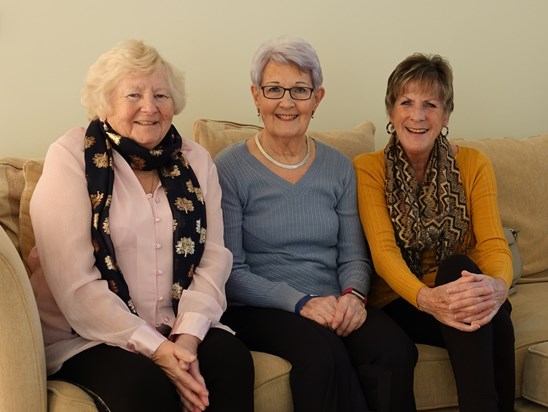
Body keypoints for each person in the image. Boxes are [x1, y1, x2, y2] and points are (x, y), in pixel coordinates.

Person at [28, 39, 254, 412]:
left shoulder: (196, 161)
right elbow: (74, 284)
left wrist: (185, 339)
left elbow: (213, 258)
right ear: (105, 102)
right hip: (89, 334)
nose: (149, 107)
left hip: (177, 325)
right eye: (134, 94)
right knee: (141, 384)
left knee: (230, 361)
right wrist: (158, 350)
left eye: (161, 95)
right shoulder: (71, 158)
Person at [214, 37, 417, 412]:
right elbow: (231, 272)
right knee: (321, 357)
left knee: (394, 349)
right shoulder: (229, 168)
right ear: (256, 96)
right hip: (261, 308)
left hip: (335, 300)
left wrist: (354, 298)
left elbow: (354, 256)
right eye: (274, 89)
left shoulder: (339, 166)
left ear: (318, 98)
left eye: (300, 90)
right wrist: (302, 303)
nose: (287, 102)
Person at [353, 53, 515, 412]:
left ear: (446, 115)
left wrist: (499, 287)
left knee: (482, 299)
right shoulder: (369, 169)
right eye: (406, 102)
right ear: (391, 112)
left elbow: (492, 244)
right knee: (486, 309)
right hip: (401, 301)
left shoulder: (473, 164)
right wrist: (429, 299)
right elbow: (383, 255)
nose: (417, 115)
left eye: (431, 104)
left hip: (458, 289)